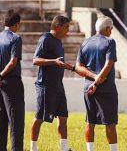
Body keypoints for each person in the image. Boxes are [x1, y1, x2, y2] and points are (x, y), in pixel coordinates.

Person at [30, 15, 74, 151]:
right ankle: (33, 148)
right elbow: (35, 60)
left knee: (63, 117)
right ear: (57, 27)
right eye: (66, 27)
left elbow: (57, 62)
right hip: (45, 86)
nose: (68, 30)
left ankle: (64, 148)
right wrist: (53, 61)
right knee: (39, 118)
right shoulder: (45, 39)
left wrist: (66, 66)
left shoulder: (59, 42)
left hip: (58, 86)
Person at [75, 16, 118, 151]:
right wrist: (98, 80)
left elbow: (78, 67)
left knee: (90, 121)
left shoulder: (85, 43)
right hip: (106, 88)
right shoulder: (110, 41)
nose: (111, 32)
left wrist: (93, 79)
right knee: (110, 123)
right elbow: (109, 63)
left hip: (88, 88)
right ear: (107, 29)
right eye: (110, 29)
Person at [0, 9, 25, 151]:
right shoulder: (15, 38)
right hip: (11, 82)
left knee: (1, 119)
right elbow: (13, 61)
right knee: (16, 121)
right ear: (17, 24)